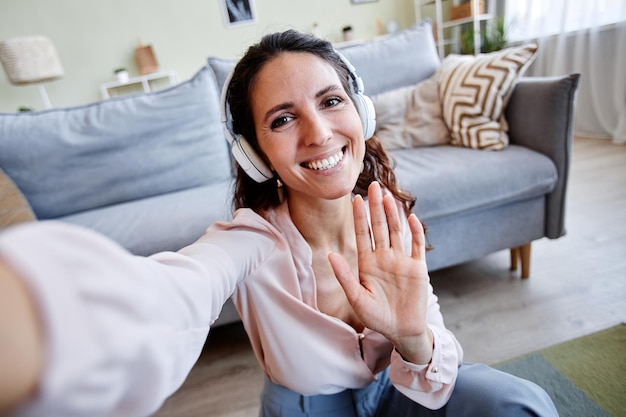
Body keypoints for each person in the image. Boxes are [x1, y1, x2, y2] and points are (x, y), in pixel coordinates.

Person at [0, 29, 558, 417]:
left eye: (331, 101)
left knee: (514, 402)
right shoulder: (247, 241)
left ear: (360, 113)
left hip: (396, 391)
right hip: (308, 411)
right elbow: (171, 291)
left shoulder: (384, 214)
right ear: (255, 154)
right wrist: (43, 319)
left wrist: (412, 335)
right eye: (284, 119)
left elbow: (430, 369)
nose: (318, 134)